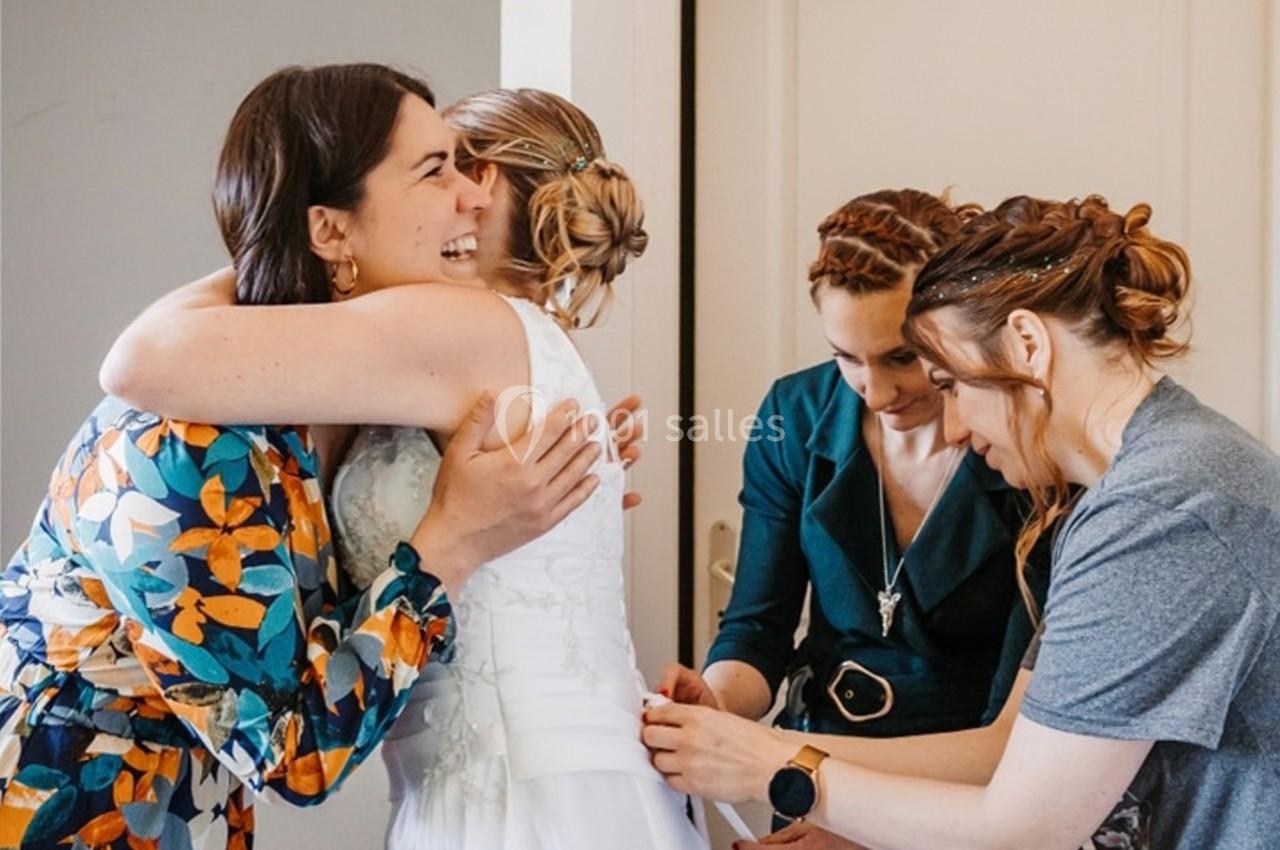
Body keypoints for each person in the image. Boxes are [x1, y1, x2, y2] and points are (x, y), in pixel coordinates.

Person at [0, 65, 612, 850]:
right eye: (436, 171)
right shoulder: (181, 445)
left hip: (188, 812)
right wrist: (454, 539)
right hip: (57, 810)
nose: (479, 195)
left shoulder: (354, 407)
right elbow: (293, 755)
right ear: (330, 231)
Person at [643, 194, 1280, 849]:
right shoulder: (1154, 480)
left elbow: (1024, 827)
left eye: (948, 383)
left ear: (1027, 343)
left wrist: (768, 765)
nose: (949, 425)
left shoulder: (1155, 513)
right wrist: (747, 739)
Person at [657, 190, 1047, 845]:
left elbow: (1013, 737)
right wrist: (718, 706)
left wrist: (866, 833)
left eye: (901, 356)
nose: (876, 390)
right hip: (810, 775)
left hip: (965, 802)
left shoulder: (1024, 448)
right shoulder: (796, 413)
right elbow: (758, 628)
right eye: (846, 357)